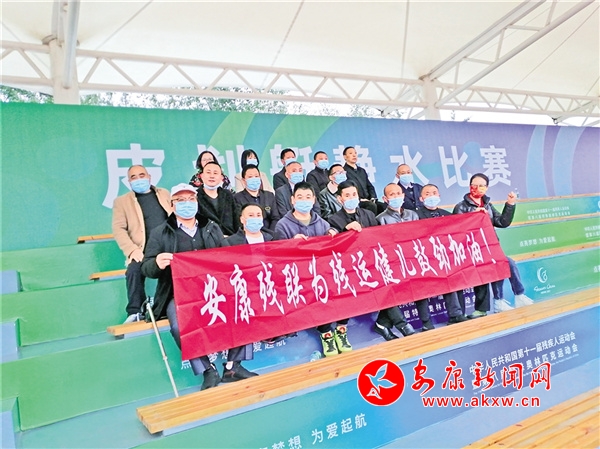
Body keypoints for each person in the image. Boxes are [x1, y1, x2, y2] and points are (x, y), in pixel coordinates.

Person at [141, 183, 257, 390]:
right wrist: (157, 263)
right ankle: (207, 370)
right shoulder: (160, 233)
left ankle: (233, 366)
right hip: (178, 294)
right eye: (180, 200)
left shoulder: (212, 227)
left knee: (242, 307)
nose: (187, 204)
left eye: (191, 199)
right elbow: (146, 268)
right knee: (178, 326)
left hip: (214, 290)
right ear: (172, 205)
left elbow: (226, 257)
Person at [274, 182, 338, 356]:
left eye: (308, 197)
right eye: (300, 197)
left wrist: (333, 232)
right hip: (297, 276)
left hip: (320, 273)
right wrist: (291, 244)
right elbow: (278, 256)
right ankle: (327, 334)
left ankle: (340, 331)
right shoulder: (282, 225)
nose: (304, 201)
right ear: (292, 200)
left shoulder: (322, 223)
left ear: (314, 199)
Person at [324, 181, 379, 354]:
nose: (351, 198)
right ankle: (339, 331)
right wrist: (344, 230)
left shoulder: (369, 214)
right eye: (347, 195)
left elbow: (379, 237)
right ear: (339, 199)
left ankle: (388, 324)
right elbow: (332, 244)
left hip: (369, 264)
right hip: (346, 268)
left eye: (354, 194)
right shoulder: (334, 219)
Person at [112, 165, 172, 323]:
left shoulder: (164, 194)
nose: (138, 179)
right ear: (128, 181)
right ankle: (135, 311)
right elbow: (118, 229)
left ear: (149, 177)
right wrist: (132, 250)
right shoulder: (122, 202)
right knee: (133, 270)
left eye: (141, 175)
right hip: (142, 250)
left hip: (168, 246)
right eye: (133, 177)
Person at [453, 173, 517, 319]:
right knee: (481, 273)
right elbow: (457, 230)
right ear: (469, 186)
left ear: (487, 188)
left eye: (481, 185)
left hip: (489, 246)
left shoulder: (488, 205)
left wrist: (510, 204)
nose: (478, 188)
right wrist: (473, 216)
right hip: (471, 249)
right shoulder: (461, 206)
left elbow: (502, 222)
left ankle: (503, 300)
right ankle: (481, 309)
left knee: (506, 264)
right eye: (474, 185)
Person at [416, 184, 468, 324]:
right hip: (427, 258)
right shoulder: (416, 216)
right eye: (427, 194)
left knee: (455, 272)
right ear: (421, 198)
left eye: (434, 193)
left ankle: (458, 314)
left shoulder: (447, 215)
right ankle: (449, 315)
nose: (431, 196)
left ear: (439, 196)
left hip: (447, 257)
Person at [196, 161, 240, 236]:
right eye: (208, 172)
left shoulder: (228, 195)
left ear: (221, 177)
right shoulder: (196, 196)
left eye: (215, 173)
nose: (212, 176)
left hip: (230, 238)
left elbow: (236, 219)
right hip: (208, 239)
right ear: (201, 176)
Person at [233, 165, 280, 231]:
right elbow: (238, 221)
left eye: (256, 176)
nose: (254, 179)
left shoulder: (269, 195)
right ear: (243, 180)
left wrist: (270, 234)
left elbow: (275, 218)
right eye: (250, 177)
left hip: (269, 233)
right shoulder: (237, 198)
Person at [342, 146, 381, 215]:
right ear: (345, 157)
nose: (354, 155)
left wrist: (372, 197)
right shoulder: (344, 171)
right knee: (371, 206)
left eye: (355, 153)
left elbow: (370, 186)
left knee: (382, 206)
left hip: (368, 199)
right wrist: (359, 199)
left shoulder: (362, 170)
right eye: (350, 153)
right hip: (356, 200)